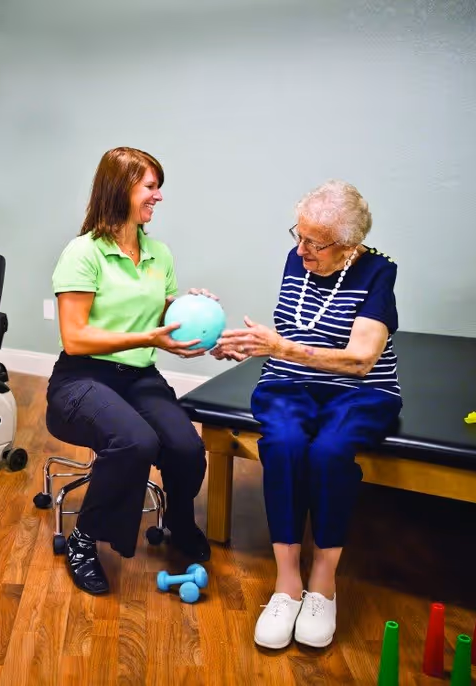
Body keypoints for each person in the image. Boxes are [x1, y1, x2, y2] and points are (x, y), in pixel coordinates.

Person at [211, 180, 402, 649]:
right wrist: (250, 347)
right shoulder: (297, 259)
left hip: (358, 390)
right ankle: (287, 583)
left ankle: (323, 582)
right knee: (285, 444)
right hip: (290, 384)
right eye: (298, 235)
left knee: (330, 451)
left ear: (349, 246)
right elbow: (296, 330)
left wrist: (278, 347)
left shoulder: (378, 273)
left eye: (314, 242)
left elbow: (361, 359)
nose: (301, 250)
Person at [46, 146, 215, 596]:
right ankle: (83, 541)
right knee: (135, 442)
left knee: (184, 447)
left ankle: (179, 523)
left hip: (139, 378)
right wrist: (148, 339)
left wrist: (189, 310)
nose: (157, 196)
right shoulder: (83, 253)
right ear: (121, 189)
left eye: (159, 187)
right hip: (82, 378)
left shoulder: (158, 254)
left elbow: (159, 313)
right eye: (150, 186)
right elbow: (75, 337)